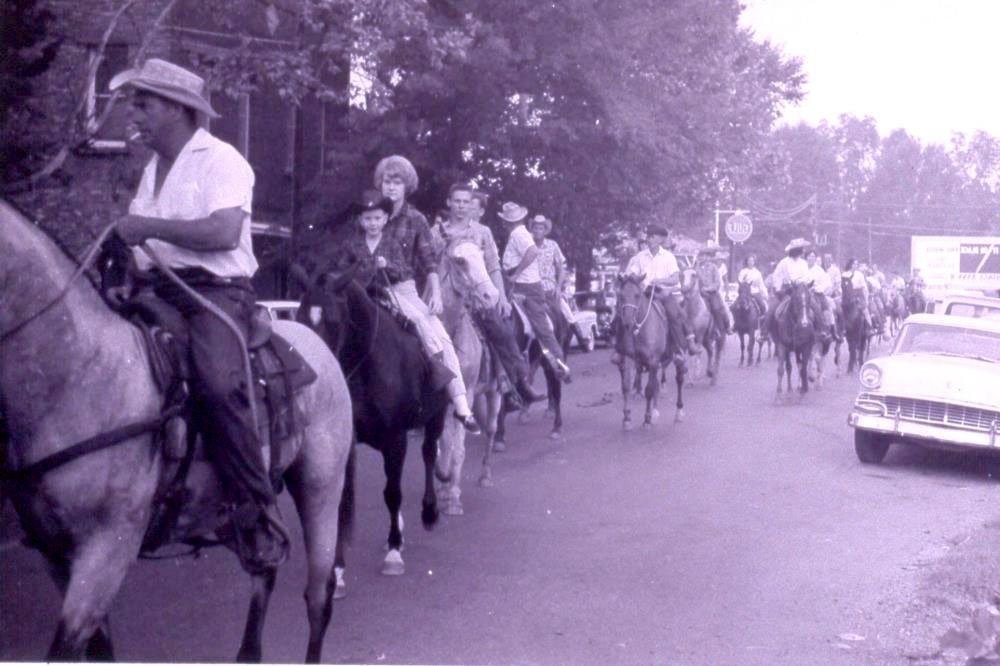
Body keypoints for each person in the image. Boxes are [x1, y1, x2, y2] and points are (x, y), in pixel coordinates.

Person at [110, 58, 286, 572]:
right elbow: (143, 243)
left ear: (177, 109)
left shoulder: (222, 159)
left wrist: (147, 227)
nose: (134, 110)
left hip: (217, 293)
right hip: (159, 288)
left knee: (215, 382)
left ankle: (257, 513)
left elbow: (224, 232)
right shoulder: (152, 169)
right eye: (134, 100)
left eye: (144, 101)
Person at [344, 187, 480, 434]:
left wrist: (386, 266)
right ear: (361, 221)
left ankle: (445, 378)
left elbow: (403, 268)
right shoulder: (353, 244)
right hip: (364, 294)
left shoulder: (392, 242)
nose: (373, 223)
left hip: (395, 291)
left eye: (377, 218)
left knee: (421, 321)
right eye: (367, 218)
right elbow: (345, 270)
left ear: (385, 219)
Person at [431, 184, 545, 407]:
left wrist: (500, 296)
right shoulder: (436, 233)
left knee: (500, 330)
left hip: (475, 297)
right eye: (457, 201)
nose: (462, 206)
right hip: (444, 295)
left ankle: (518, 381)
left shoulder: (483, 233)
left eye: (466, 202)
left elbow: (493, 266)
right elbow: (427, 264)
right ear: (449, 203)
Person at [499, 201, 571, 382]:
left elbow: (532, 252)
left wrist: (515, 274)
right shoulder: (519, 234)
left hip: (527, 286)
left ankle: (560, 364)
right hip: (517, 285)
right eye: (536, 226)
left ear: (507, 222)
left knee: (542, 326)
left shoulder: (519, 234)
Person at [619, 225, 695, 358]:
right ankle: (619, 350)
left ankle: (679, 349)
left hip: (662, 294)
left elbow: (675, 278)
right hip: (642, 294)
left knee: (675, 314)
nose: (648, 239)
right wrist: (630, 277)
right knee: (624, 312)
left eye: (652, 237)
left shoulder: (668, 257)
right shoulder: (639, 257)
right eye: (648, 236)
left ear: (660, 239)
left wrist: (659, 281)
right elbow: (632, 275)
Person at [528, 214, 588, 347]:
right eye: (535, 228)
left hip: (550, 289)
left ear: (545, 231)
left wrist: (558, 287)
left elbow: (561, 268)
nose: (537, 231)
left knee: (566, 311)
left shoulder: (552, 245)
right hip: (532, 290)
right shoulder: (527, 245)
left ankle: (580, 336)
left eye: (540, 228)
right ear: (532, 229)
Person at [769, 238, 824, 336]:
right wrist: (778, 289)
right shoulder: (784, 262)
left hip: (801, 290)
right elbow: (776, 276)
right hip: (787, 291)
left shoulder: (803, 263)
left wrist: (803, 283)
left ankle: (821, 330)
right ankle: (765, 332)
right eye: (801, 249)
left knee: (816, 308)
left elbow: (807, 276)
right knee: (772, 309)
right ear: (795, 250)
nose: (803, 251)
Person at [695, 243, 734, 334]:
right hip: (698, 293)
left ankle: (722, 328)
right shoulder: (696, 268)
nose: (703, 258)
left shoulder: (713, 268)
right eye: (701, 256)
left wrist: (708, 289)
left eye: (705, 256)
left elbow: (717, 283)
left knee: (717, 308)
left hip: (711, 293)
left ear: (708, 257)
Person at [805, 249, 835, 338]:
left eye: (813, 256)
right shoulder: (801, 268)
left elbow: (827, 283)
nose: (811, 258)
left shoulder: (819, 270)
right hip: (803, 292)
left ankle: (824, 328)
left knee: (825, 307)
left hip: (816, 293)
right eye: (809, 256)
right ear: (806, 257)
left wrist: (817, 288)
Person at [842, 258, 872, 327]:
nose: (855, 265)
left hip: (858, 294)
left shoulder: (859, 274)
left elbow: (864, 287)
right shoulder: (845, 274)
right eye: (854, 264)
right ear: (850, 264)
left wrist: (866, 299)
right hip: (847, 294)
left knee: (864, 309)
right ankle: (842, 328)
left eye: (856, 264)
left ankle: (870, 325)